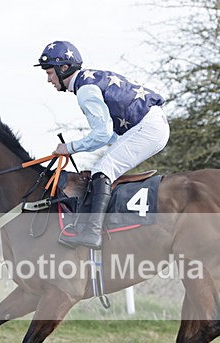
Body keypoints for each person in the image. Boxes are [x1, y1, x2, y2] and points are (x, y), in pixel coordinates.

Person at [35, 40, 170, 249]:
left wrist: (68, 147)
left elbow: (102, 134)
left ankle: (92, 233)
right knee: (103, 169)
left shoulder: (86, 92)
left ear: (64, 68)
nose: (48, 79)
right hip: (149, 124)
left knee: (102, 169)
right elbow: (109, 136)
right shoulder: (89, 80)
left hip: (148, 127)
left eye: (50, 73)